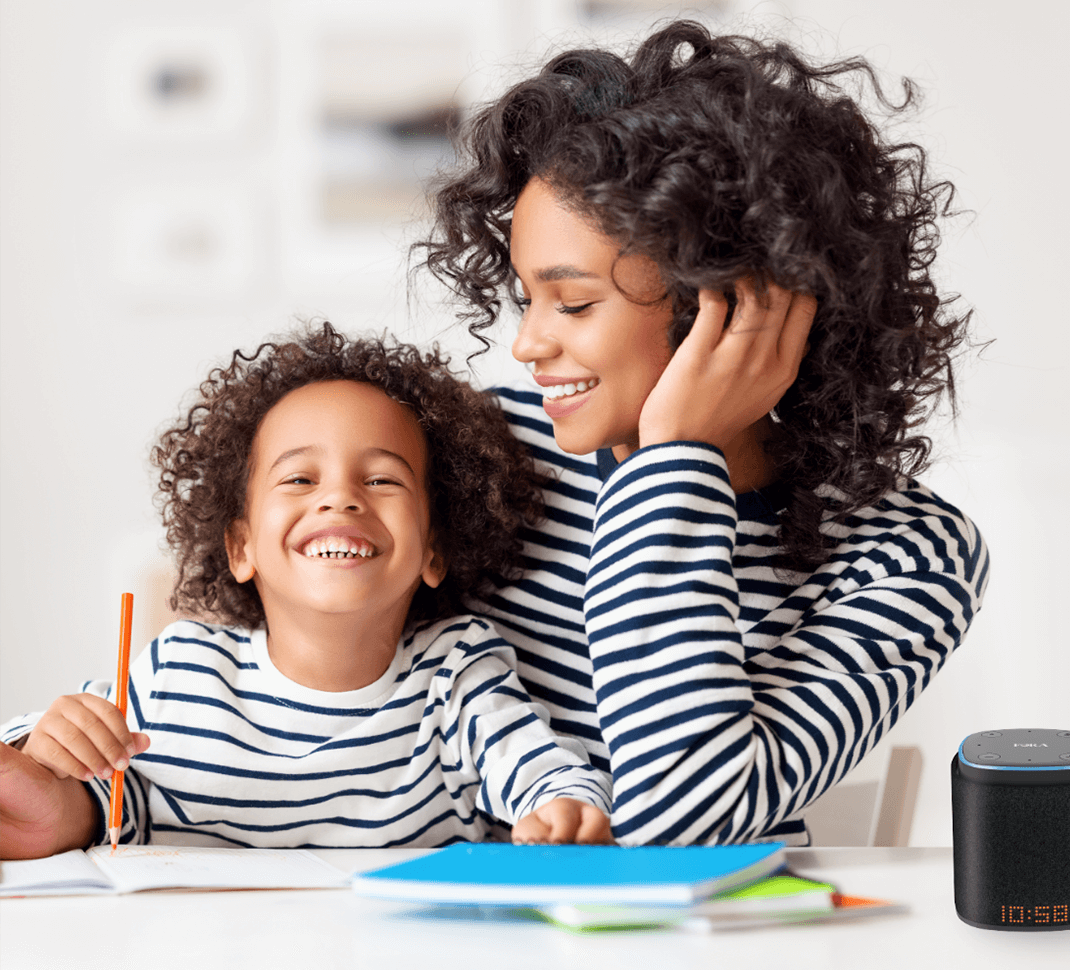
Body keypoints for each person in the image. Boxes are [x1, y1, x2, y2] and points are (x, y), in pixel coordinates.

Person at [416, 20, 988, 846]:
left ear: (728, 299)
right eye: (526, 297)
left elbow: (688, 820)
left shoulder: (906, 556)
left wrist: (674, 459)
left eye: (572, 304)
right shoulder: (478, 456)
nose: (528, 344)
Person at [0, 325, 612, 858]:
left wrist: (564, 810)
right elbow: (53, 769)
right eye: (298, 477)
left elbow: (548, 775)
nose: (340, 497)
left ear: (434, 551)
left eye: (380, 478)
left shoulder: (457, 675)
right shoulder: (181, 673)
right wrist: (44, 744)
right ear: (240, 547)